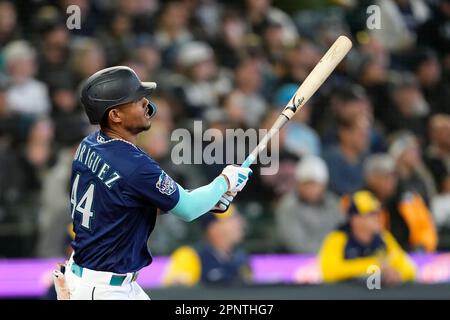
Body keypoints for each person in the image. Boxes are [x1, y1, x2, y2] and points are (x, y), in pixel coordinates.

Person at [61, 66, 252, 300]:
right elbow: (188, 209)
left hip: (94, 277)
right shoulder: (134, 164)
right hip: (103, 289)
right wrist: (224, 181)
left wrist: (208, 199)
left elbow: (126, 202)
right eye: (135, 99)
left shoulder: (89, 144)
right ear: (115, 115)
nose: (145, 103)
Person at [319, 190, 416, 285]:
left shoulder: (384, 238)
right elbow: (328, 271)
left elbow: (410, 269)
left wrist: (397, 275)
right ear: (355, 218)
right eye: (371, 214)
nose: (378, 218)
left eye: (378, 213)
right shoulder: (338, 238)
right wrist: (373, 267)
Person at [364, 153, 438, 252]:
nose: (391, 181)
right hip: (376, 257)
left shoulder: (409, 198)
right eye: (385, 177)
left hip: (413, 254)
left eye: (393, 176)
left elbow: (426, 228)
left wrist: (423, 246)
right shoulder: (359, 203)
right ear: (371, 179)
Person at [163, 205, 251, 287]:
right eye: (231, 219)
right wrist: (179, 283)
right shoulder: (189, 255)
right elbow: (174, 291)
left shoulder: (240, 257)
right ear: (212, 227)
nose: (239, 223)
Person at [275, 155, 343, 253]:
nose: (311, 189)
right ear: (298, 184)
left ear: (324, 185)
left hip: (333, 258)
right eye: (307, 183)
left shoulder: (333, 203)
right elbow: (296, 243)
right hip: (297, 260)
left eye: (315, 184)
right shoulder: (288, 206)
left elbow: (341, 232)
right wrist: (327, 253)